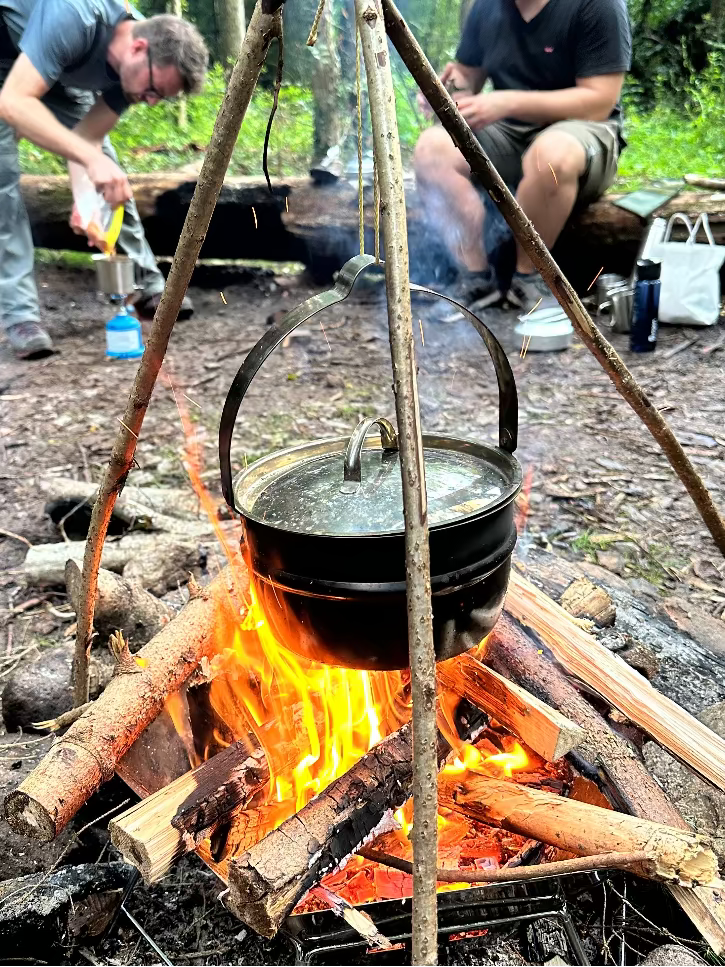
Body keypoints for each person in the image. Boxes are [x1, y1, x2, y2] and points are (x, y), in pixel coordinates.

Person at [0, 3, 209, 359]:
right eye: (154, 89)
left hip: (59, 67)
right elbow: (14, 101)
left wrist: (87, 203)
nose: (151, 101)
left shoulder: (137, 63)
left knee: (111, 180)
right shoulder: (74, 16)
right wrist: (91, 160)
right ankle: (21, 316)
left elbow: (88, 138)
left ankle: (145, 285)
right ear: (137, 49)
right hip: (8, 61)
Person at [414, 0, 632, 312]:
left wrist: (508, 102)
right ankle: (473, 279)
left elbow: (598, 101)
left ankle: (528, 279)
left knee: (550, 158)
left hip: (583, 133)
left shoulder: (597, 6)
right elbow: (469, 74)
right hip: (506, 134)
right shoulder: (486, 7)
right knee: (431, 149)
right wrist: (446, 88)